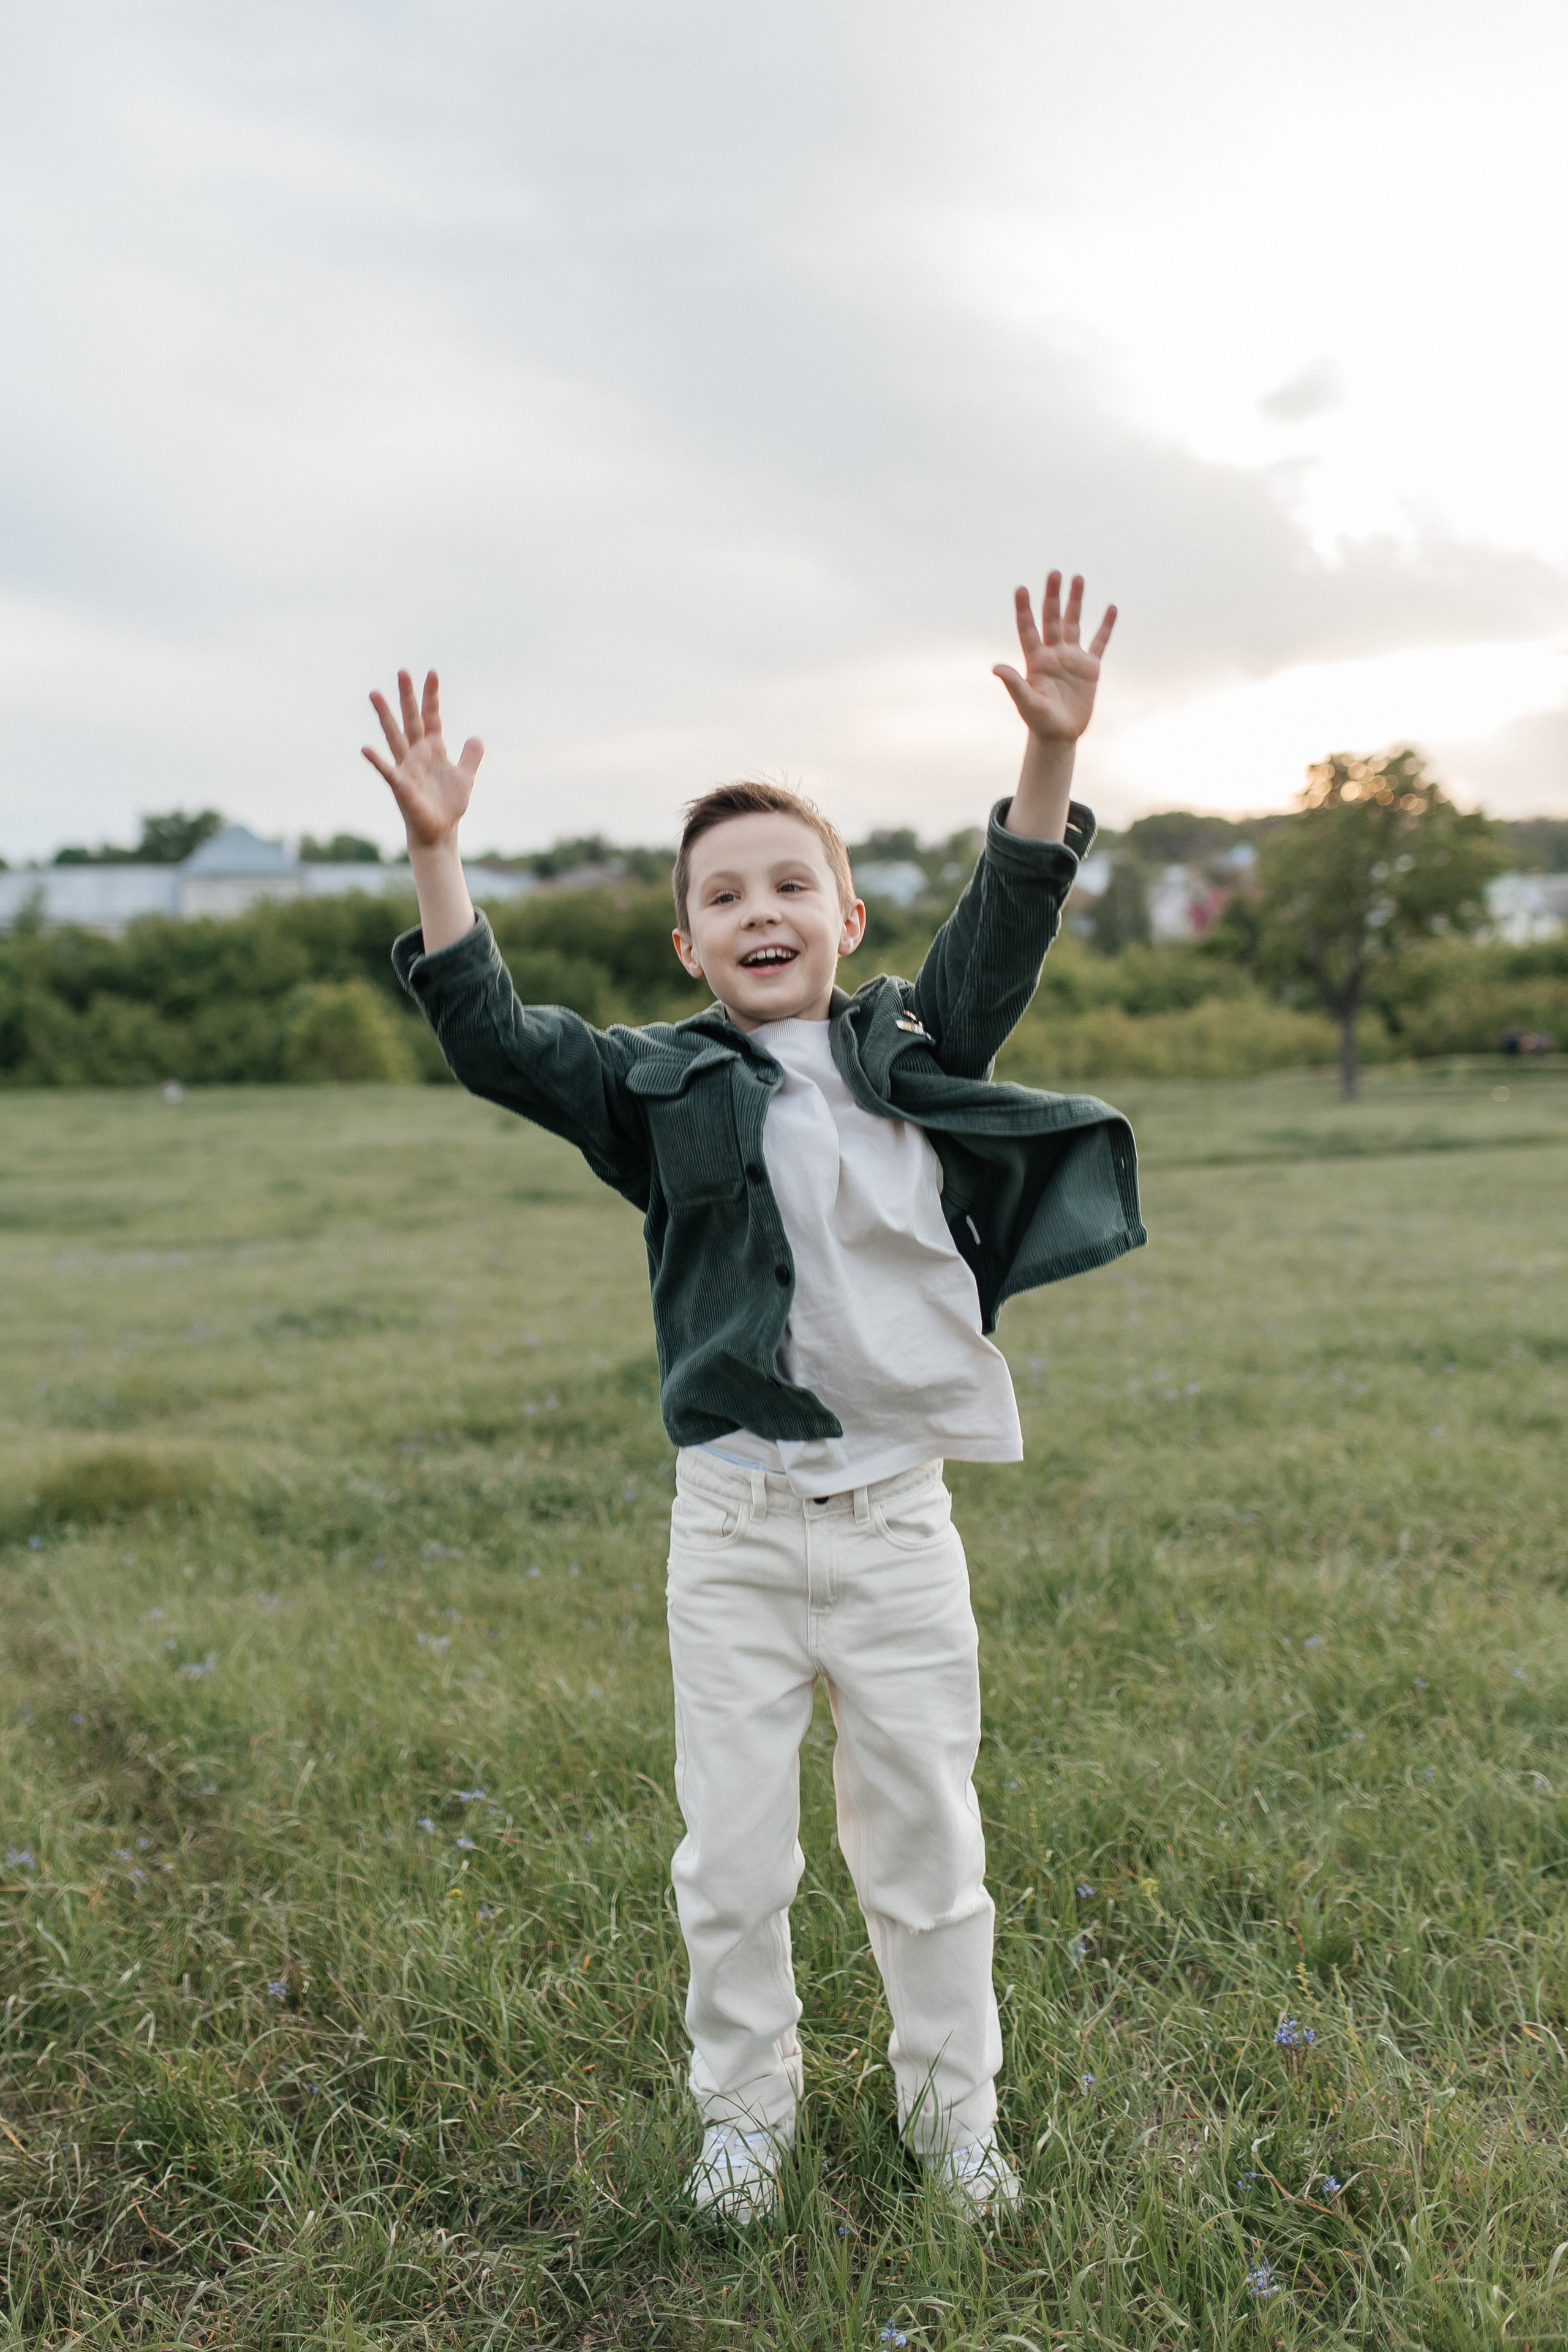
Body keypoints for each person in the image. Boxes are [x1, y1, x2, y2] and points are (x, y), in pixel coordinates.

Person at [363, 572, 1145, 2224]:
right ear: (690, 945)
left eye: (793, 882)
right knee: (731, 1862)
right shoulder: (653, 1084)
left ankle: (955, 2127)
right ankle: (745, 2119)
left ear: (846, 918)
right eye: (724, 895)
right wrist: (440, 854)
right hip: (728, 1533)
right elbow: (497, 1039)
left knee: (927, 1853)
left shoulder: (913, 1045)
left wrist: (1050, 751)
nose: (761, 909)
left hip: (896, 1531)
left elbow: (1007, 916)